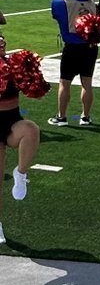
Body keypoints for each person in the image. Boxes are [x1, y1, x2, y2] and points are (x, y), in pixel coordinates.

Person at [0, 31, 41, 245]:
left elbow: (35, 90)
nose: (1, 40)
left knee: (31, 130)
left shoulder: (13, 63)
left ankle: (21, 172)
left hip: (11, 122)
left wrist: (31, 75)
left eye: (2, 37)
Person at [48, 0, 98, 126]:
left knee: (65, 82)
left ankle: (62, 117)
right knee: (87, 83)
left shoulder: (59, 0)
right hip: (90, 47)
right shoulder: (90, 1)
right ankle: (85, 116)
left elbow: (56, 16)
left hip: (72, 47)